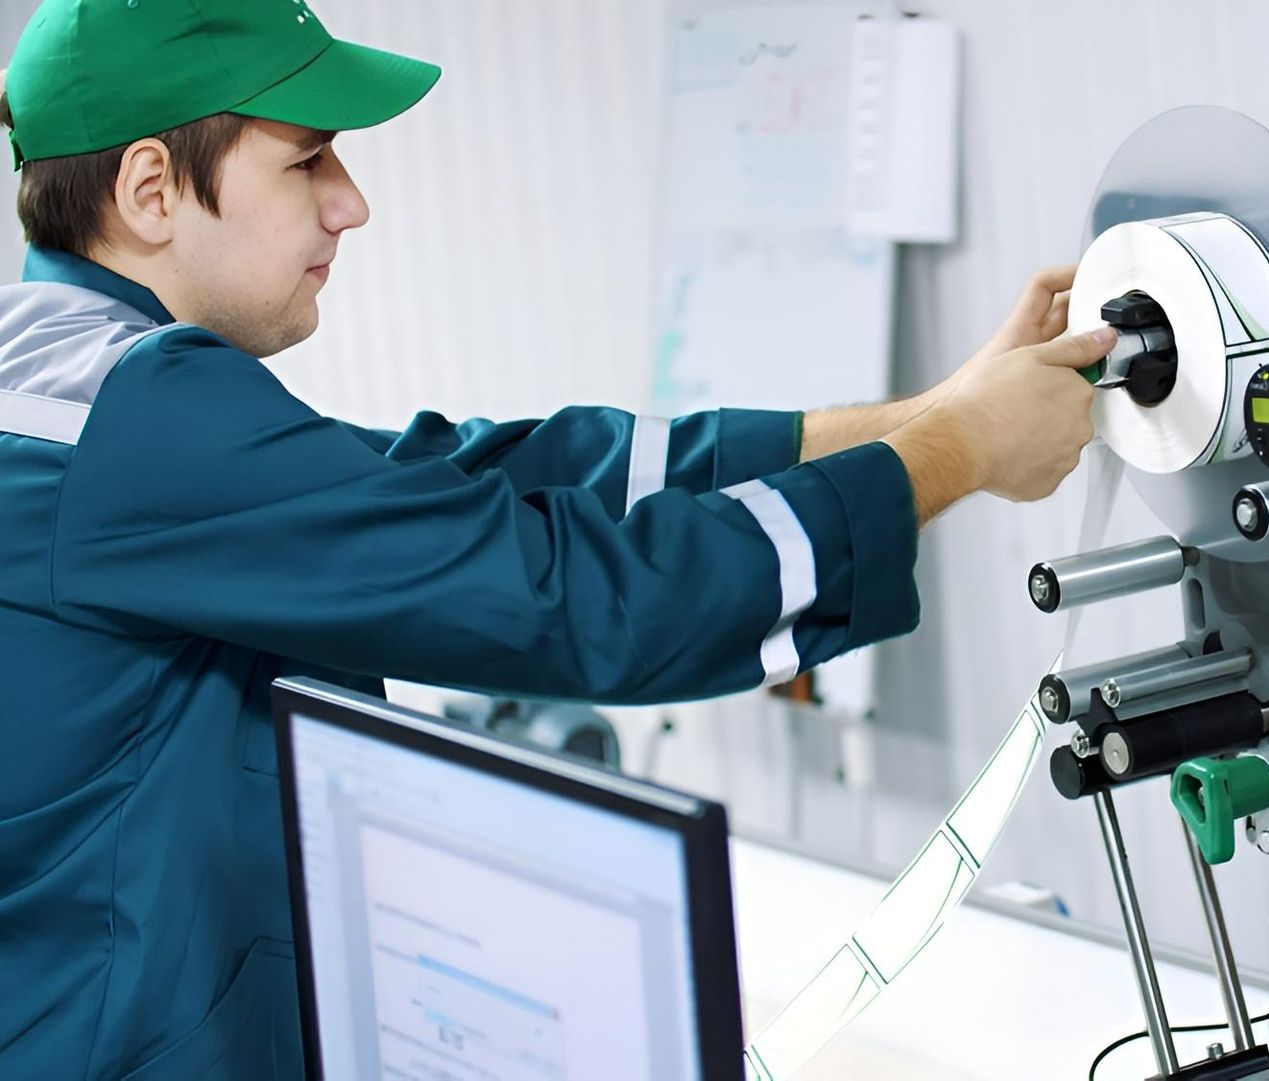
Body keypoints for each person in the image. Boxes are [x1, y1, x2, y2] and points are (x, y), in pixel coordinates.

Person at [0, 0, 1111, 1076]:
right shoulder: (136, 419)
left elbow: (465, 477)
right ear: (151, 188)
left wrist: (933, 411)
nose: (351, 204)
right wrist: (957, 455)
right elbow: (589, 604)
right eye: (308, 160)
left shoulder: (64, 386)